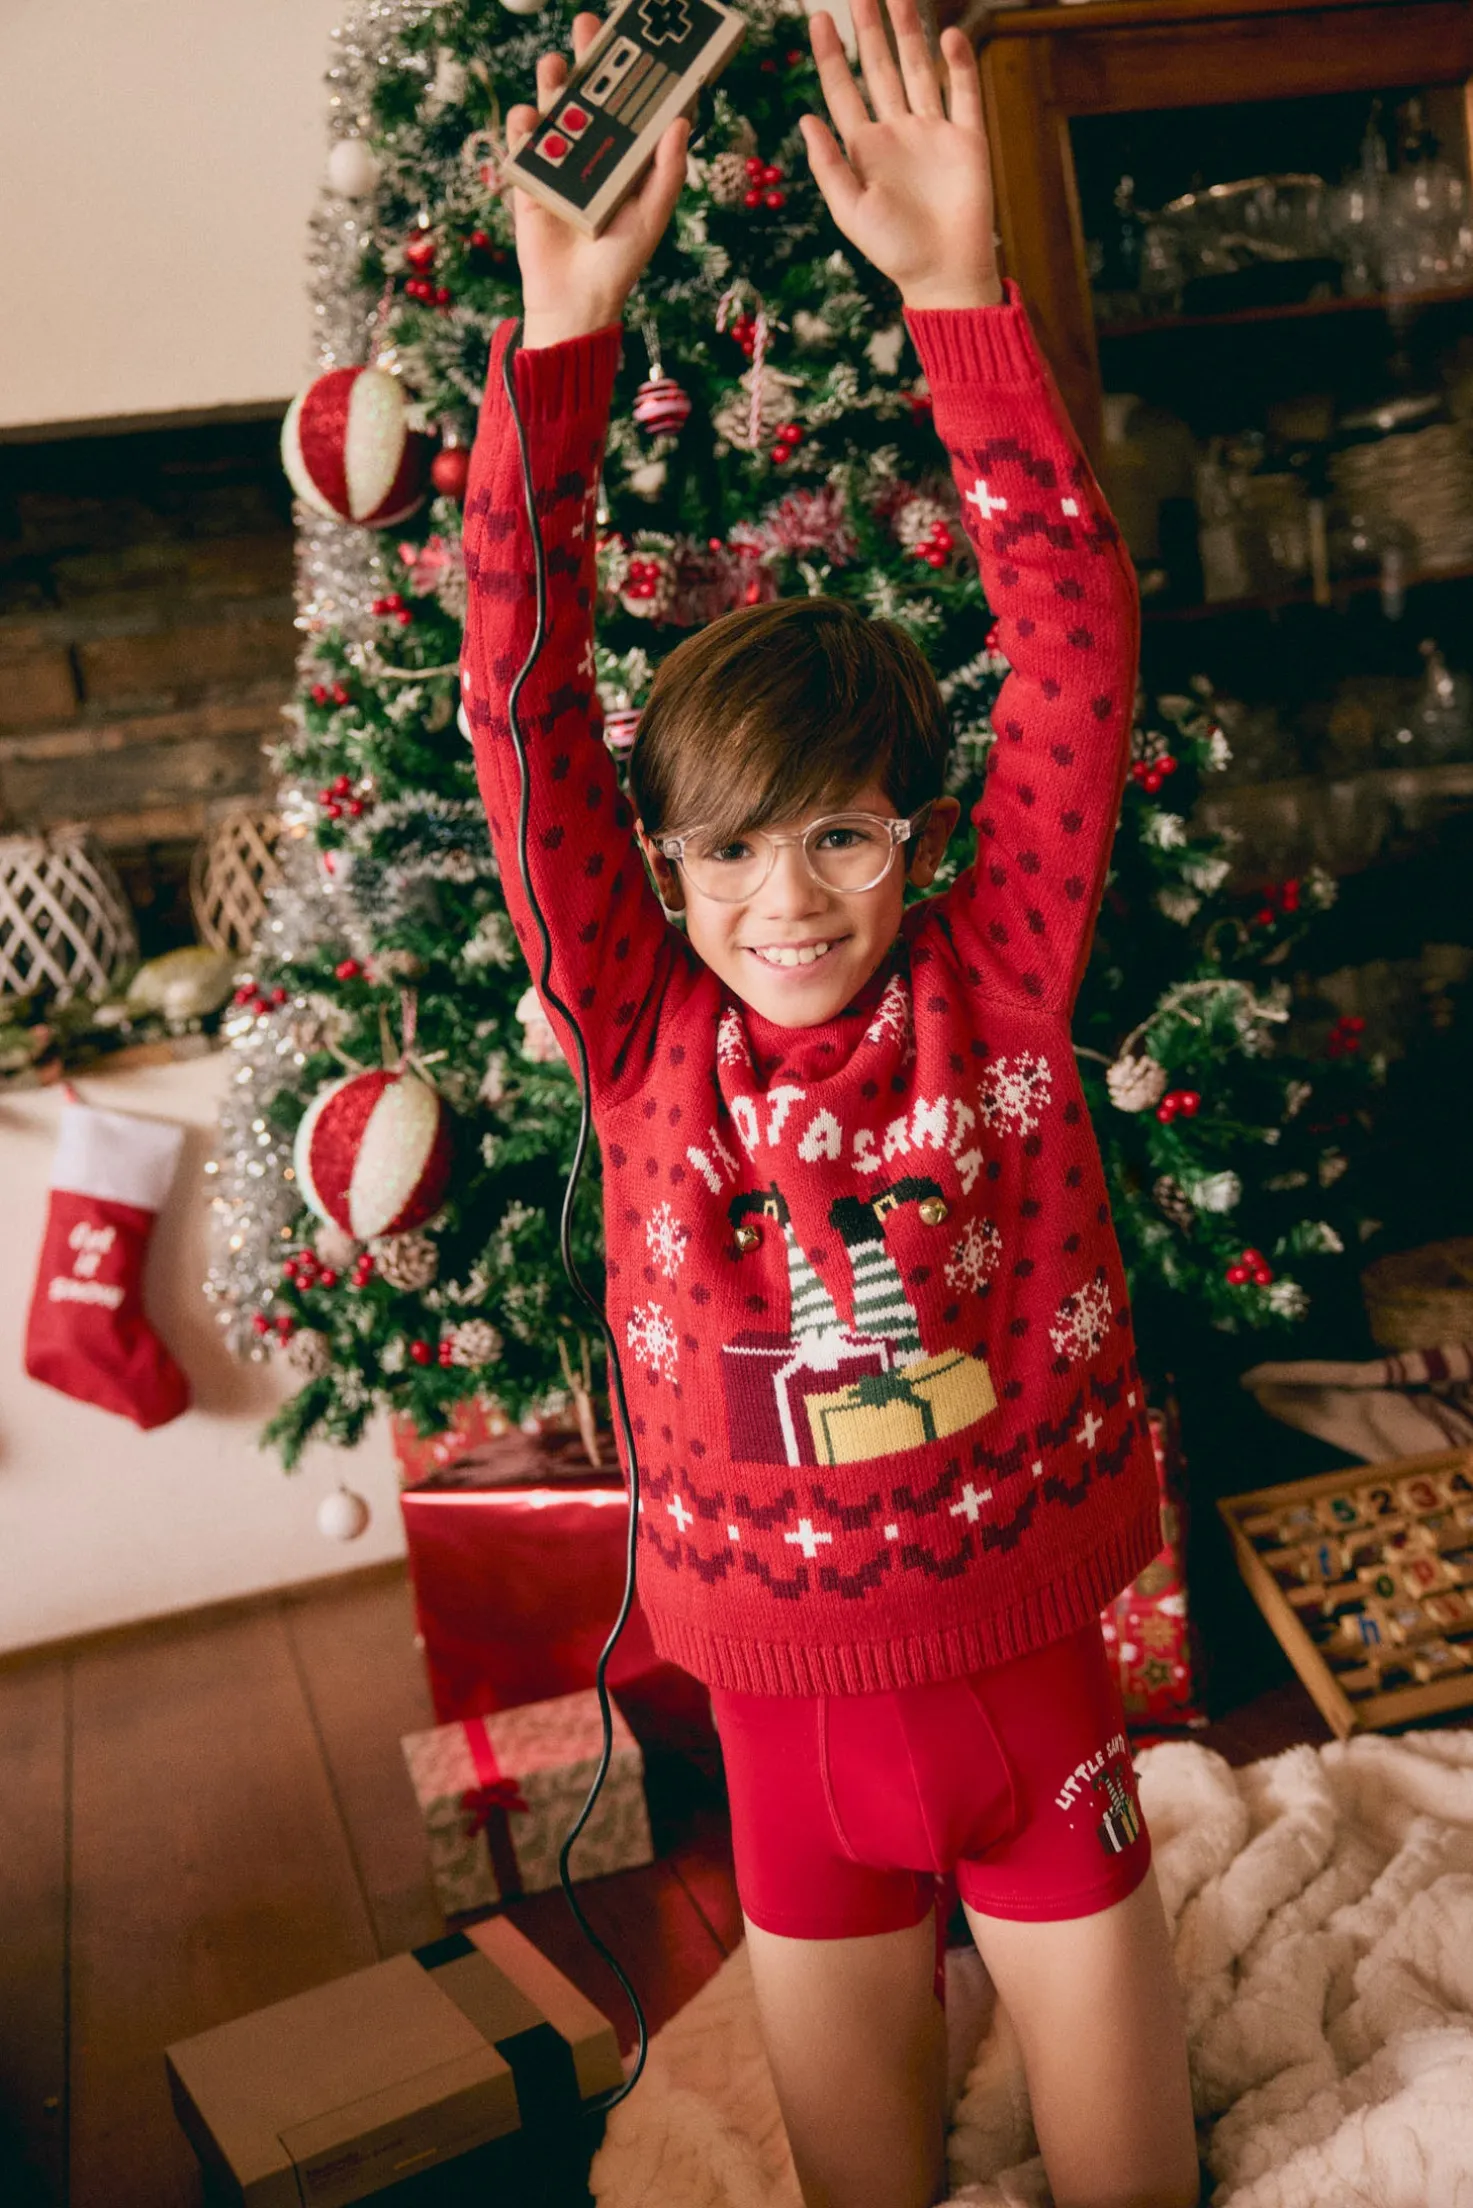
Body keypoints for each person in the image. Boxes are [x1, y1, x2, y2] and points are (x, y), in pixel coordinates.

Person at [462, 2, 1199, 2202]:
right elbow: (516, 703)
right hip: (784, 1750)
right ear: (662, 869)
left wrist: (962, 300)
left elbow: (1070, 653)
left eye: (845, 838)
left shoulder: (997, 974)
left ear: (915, 832)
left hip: (1036, 1702)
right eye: (732, 855)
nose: (789, 902)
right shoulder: (633, 1026)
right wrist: (561, 337)